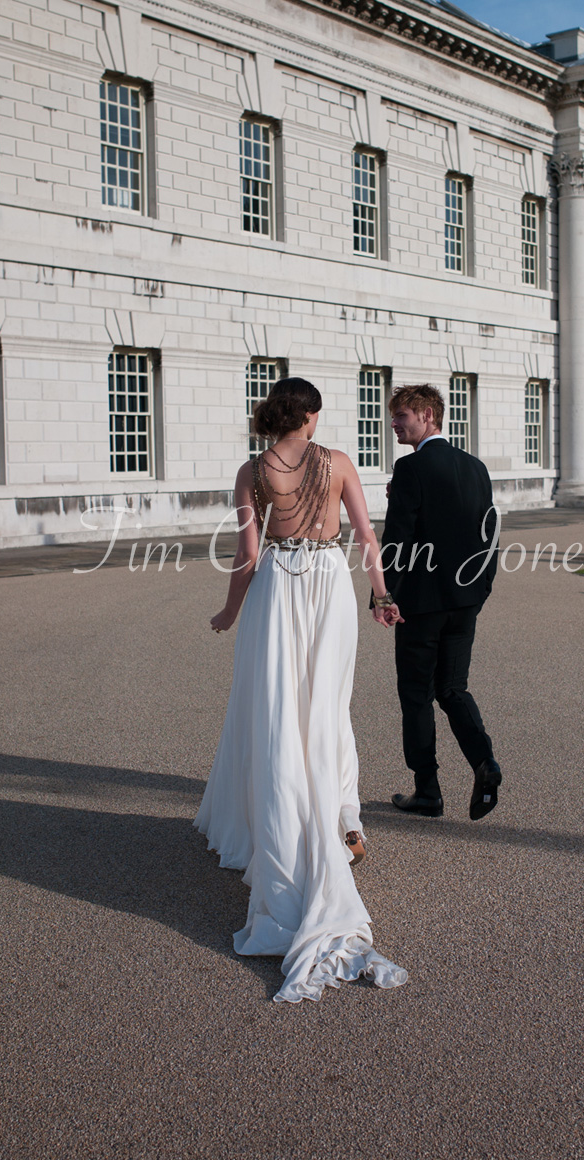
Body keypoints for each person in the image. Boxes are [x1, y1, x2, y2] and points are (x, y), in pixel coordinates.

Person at [194, 377, 408, 1004]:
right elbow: (367, 536)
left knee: (277, 713)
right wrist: (383, 593)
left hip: (278, 593)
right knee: (327, 709)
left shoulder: (253, 471)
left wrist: (231, 612)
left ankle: (298, 822)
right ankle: (339, 816)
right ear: (310, 416)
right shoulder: (338, 462)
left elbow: (248, 554)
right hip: (327, 585)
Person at [381, 384, 502, 821]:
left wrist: (383, 594)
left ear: (429, 415)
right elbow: (487, 533)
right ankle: (485, 762)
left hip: (421, 604)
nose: (394, 423)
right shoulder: (475, 467)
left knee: (416, 694)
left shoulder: (410, 467)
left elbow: (398, 539)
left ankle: (427, 791)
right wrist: (482, 587)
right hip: (466, 600)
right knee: (452, 688)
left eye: (403, 415)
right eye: (394, 416)